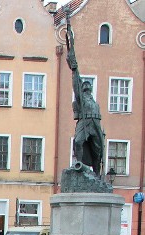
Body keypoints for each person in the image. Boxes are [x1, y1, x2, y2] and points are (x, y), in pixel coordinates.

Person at [66, 19, 104, 175]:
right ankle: (79, 166)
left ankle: (96, 173)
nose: (87, 86)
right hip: (85, 120)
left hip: (96, 122)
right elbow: (76, 82)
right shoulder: (81, 97)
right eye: (85, 85)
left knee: (97, 149)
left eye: (89, 85)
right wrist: (74, 69)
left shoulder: (93, 101)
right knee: (79, 141)